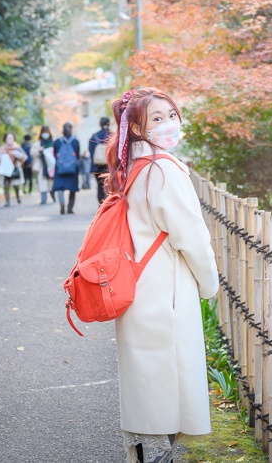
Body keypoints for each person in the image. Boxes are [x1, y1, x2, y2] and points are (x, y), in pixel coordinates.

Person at [106, 87, 218, 463]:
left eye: (171, 115)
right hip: (166, 285)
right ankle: (162, 453)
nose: (169, 124)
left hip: (136, 284)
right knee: (169, 372)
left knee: (146, 374)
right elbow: (192, 237)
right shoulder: (164, 169)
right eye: (157, 118)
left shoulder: (132, 167)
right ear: (136, 127)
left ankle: (141, 450)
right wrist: (209, 283)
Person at [51, 122, 80, 215]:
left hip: (60, 168)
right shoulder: (75, 142)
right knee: (72, 188)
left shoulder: (57, 142)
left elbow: (55, 155)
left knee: (60, 187)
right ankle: (70, 208)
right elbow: (77, 155)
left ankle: (62, 204)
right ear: (71, 130)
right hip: (72, 169)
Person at [0, 132, 27, 207]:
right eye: (8, 138)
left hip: (15, 168)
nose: (10, 140)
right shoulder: (2, 149)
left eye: (11, 138)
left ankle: (18, 197)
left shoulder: (17, 147)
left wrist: (14, 153)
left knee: (16, 185)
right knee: (6, 185)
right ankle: (7, 201)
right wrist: (4, 157)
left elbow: (24, 157)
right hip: (6, 170)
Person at [88, 116, 112, 204]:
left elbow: (91, 152)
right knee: (109, 186)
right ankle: (108, 203)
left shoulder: (94, 136)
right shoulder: (112, 136)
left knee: (99, 186)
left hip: (97, 166)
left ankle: (101, 203)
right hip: (109, 166)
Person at [30, 126, 56, 205]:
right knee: (42, 182)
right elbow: (32, 153)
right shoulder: (38, 143)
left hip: (52, 166)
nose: (45, 134)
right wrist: (39, 151)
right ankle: (43, 199)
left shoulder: (53, 142)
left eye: (46, 132)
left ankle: (53, 196)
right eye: (44, 132)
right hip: (42, 165)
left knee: (51, 183)